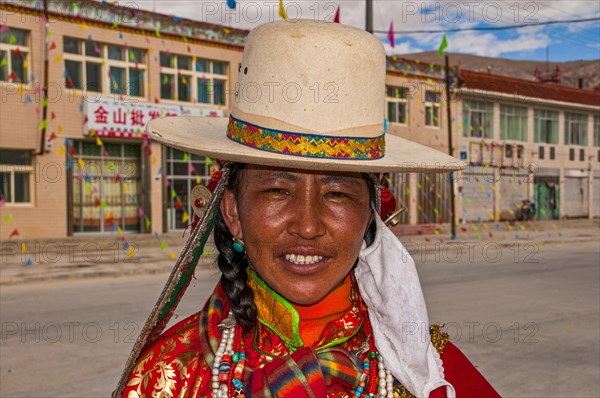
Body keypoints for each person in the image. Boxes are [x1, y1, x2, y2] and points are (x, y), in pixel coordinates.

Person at [116, 20, 500, 398]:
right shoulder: (168, 376)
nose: (308, 225)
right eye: (276, 190)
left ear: (370, 215)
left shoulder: (432, 377)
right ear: (232, 212)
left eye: (338, 195)